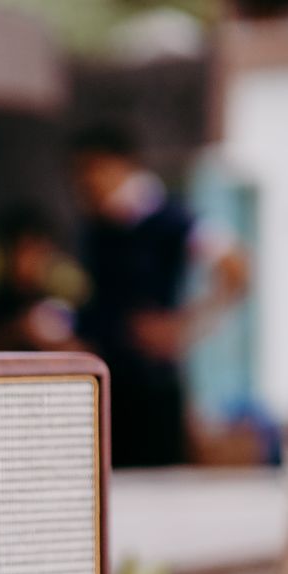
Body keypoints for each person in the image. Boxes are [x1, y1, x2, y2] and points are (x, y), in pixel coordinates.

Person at [70, 124, 249, 467]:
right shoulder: (96, 229)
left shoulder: (169, 218)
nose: (86, 182)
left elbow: (237, 268)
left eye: (91, 169)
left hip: (152, 391)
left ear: (119, 165)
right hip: (107, 386)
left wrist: (185, 326)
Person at [0, 204, 80, 352]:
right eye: (19, 249)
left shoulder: (62, 309)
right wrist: (15, 334)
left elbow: (92, 355)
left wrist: (57, 343)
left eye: (37, 250)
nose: (26, 260)